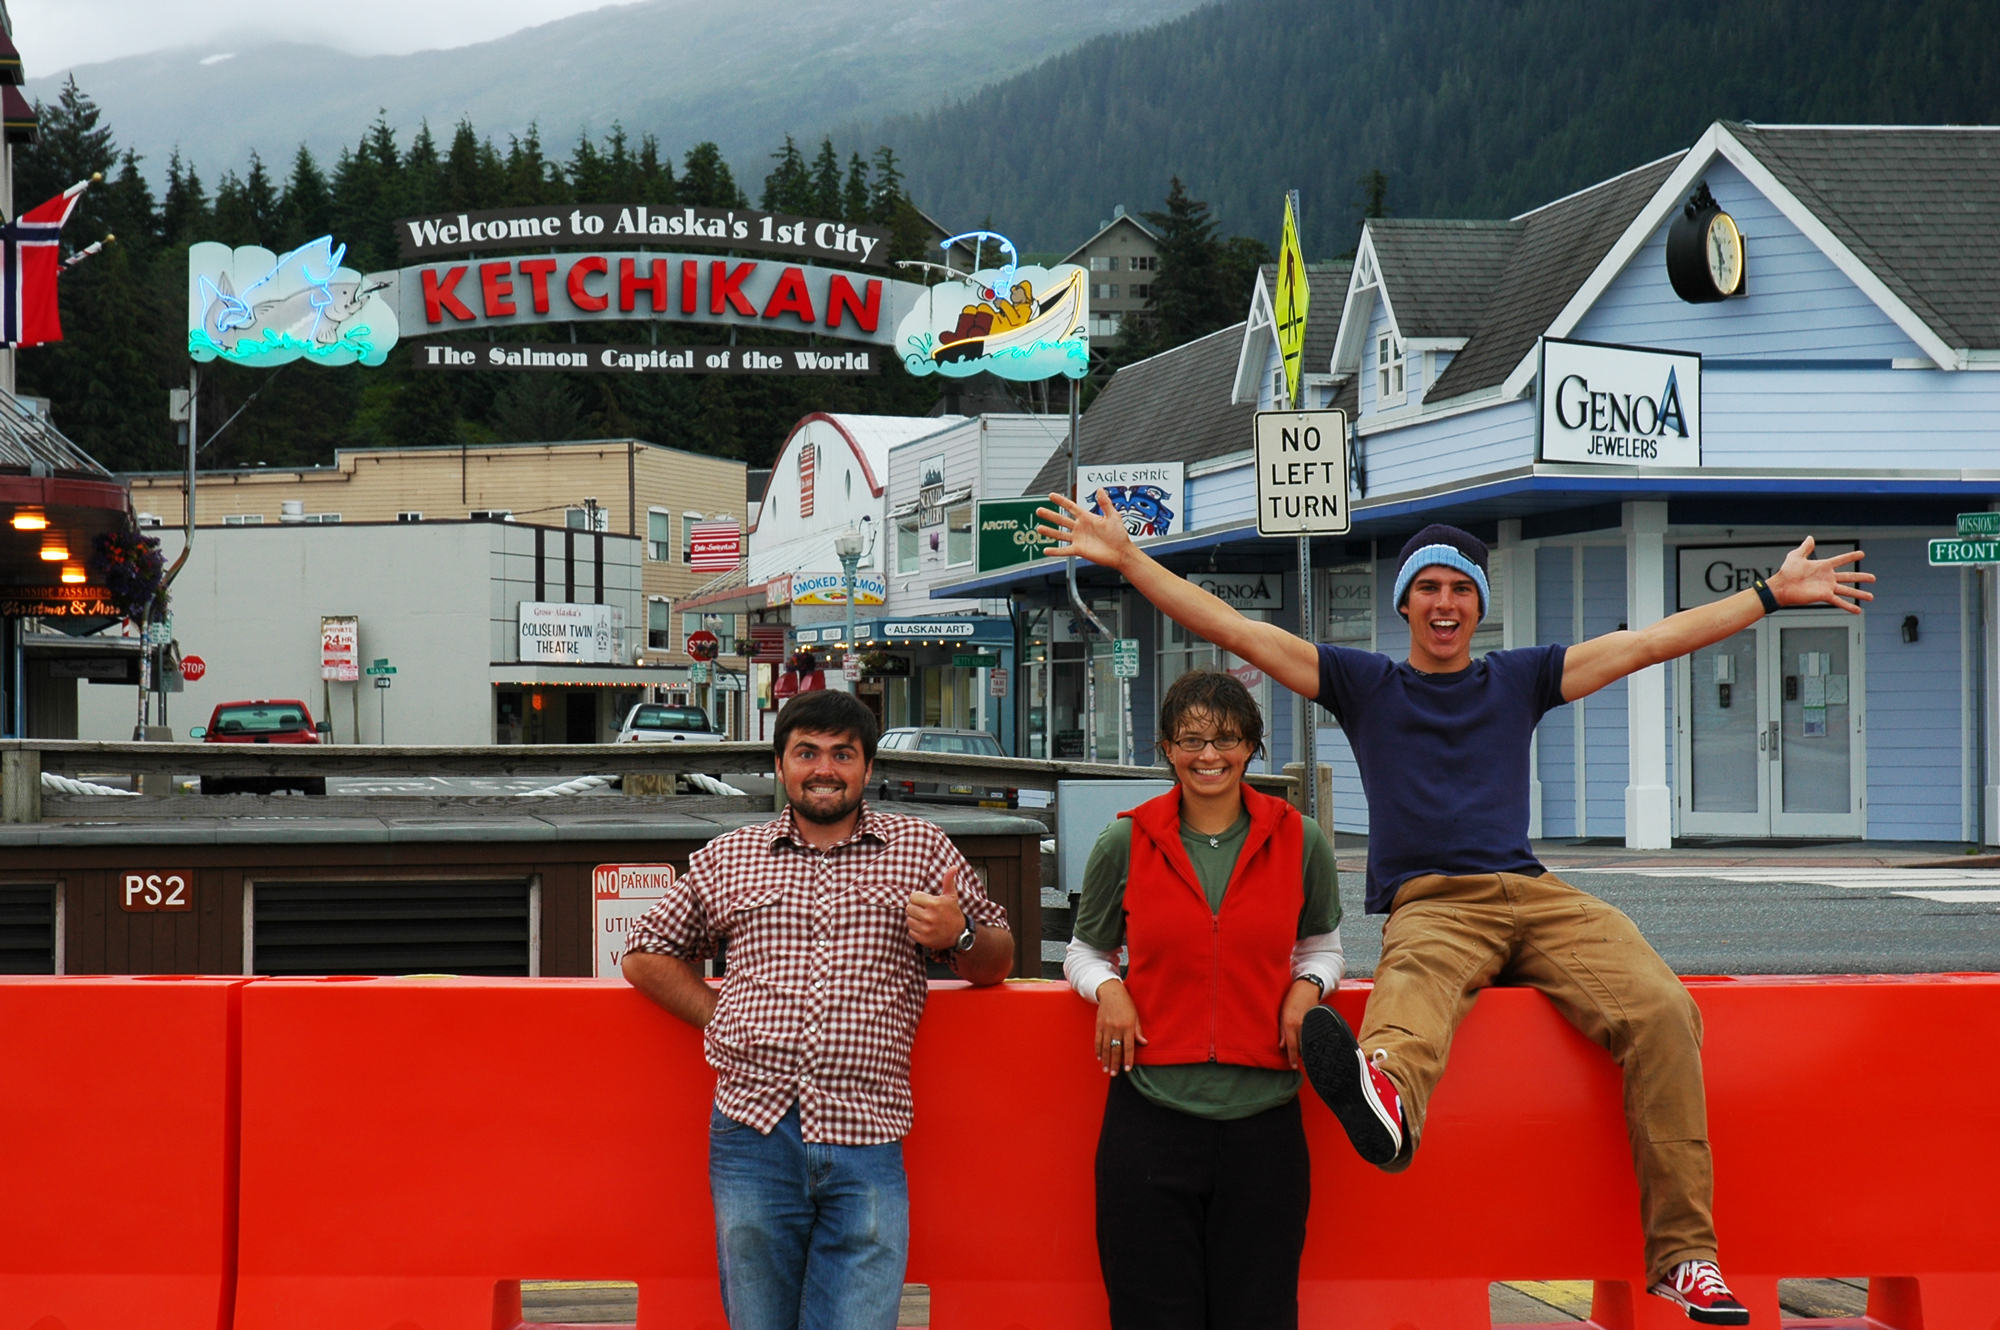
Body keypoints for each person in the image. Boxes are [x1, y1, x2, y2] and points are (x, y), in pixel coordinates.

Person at [1039, 494, 1873, 1326]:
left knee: (1663, 1010)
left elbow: (1648, 643)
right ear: (1404, 604)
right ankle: (1386, 1103)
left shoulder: (1520, 677)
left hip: (1535, 892)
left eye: (1461, 589)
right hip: (1434, 900)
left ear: (1480, 606)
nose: (1445, 602)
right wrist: (1129, 561)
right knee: (1412, 999)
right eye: (1428, 587)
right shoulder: (1368, 686)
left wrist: (1768, 595)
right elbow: (1238, 633)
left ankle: (1686, 1257)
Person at [622, 688, 1016, 1330]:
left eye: (843, 753)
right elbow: (644, 953)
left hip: (869, 1128)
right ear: (780, 765)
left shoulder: (921, 849)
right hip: (752, 1128)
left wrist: (960, 935)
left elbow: (997, 958)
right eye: (806, 752)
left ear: (867, 768)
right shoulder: (732, 855)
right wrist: (718, 1014)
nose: (824, 768)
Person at [1067, 669, 1344, 1330]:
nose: (1209, 755)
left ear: (1250, 746)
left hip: (1265, 1123)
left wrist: (1307, 990)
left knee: (1261, 1315)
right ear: (1166, 747)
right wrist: (1109, 988)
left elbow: (1324, 948)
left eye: (1225, 739)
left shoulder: (1299, 839)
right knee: (1150, 1316)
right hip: (1150, 1119)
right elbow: (1084, 950)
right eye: (1191, 740)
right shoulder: (1124, 840)